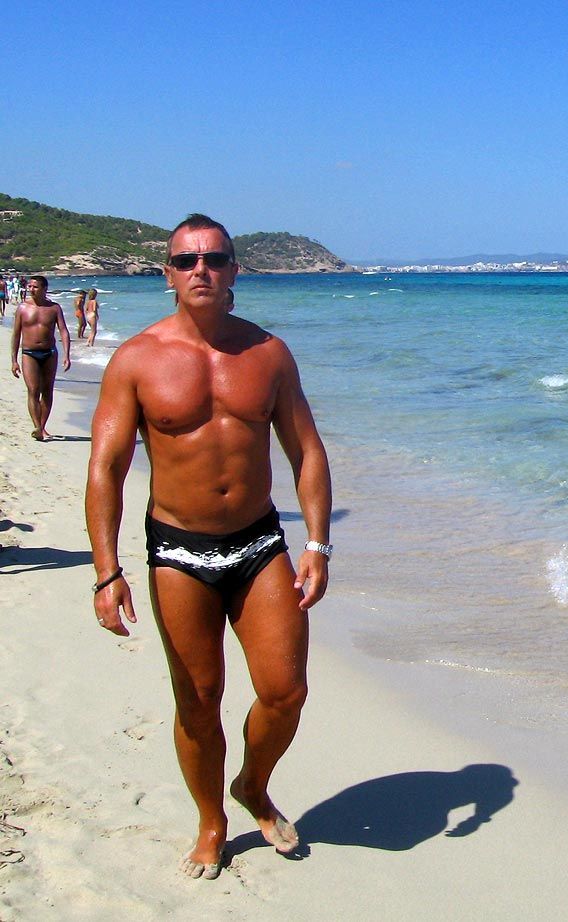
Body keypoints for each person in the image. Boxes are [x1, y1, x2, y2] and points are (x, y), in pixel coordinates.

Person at [86, 214, 333, 880]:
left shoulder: (269, 354)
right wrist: (107, 573)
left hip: (258, 543)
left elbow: (305, 449)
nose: (202, 270)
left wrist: (318, 543)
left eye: (215, 259)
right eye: (187, 260)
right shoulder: (136, 360)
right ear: (168, 274)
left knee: (285, 693)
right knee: (198, 701)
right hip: (179, 552)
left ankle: (251, 784)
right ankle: (211, 821)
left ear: (233, 271)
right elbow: (105, 468)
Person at [10, 275, 71, 441]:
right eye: (29, 286)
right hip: (29, 353)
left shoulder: (54, 308)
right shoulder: (22, 308)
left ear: (44, 289)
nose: (31, 289)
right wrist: (14, 360)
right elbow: (16, 335)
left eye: (35, 287)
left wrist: (67, 354)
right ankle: (37, 426)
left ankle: (42, 427)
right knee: (33, 390)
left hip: (49, 353)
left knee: (47, 391)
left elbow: (64, 331)